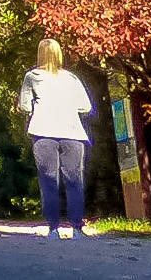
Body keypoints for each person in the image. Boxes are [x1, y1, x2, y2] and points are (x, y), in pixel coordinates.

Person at [17, 38, 95, 240]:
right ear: (60, 54)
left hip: (44, 131)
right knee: (74, 180)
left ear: (39, 54)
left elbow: (24, 106)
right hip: (73, 133)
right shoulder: (71, 78)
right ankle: (77, 228)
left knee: (49, 180)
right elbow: (86, 107)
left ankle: (53, 228)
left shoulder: (32, 77)